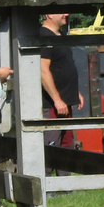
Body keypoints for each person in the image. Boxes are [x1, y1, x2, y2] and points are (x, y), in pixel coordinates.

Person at [39, 12, 80, 151]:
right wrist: (57, 100)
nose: (66, 14)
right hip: (52, 106)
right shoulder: (44, 36)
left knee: (67, 147)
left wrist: (75, 93)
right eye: (61, 12)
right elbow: (43, 70)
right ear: (49, 15)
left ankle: (65, 173)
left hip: (65, 103)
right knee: (52, 149)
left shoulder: (61, 36)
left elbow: (63, 66)